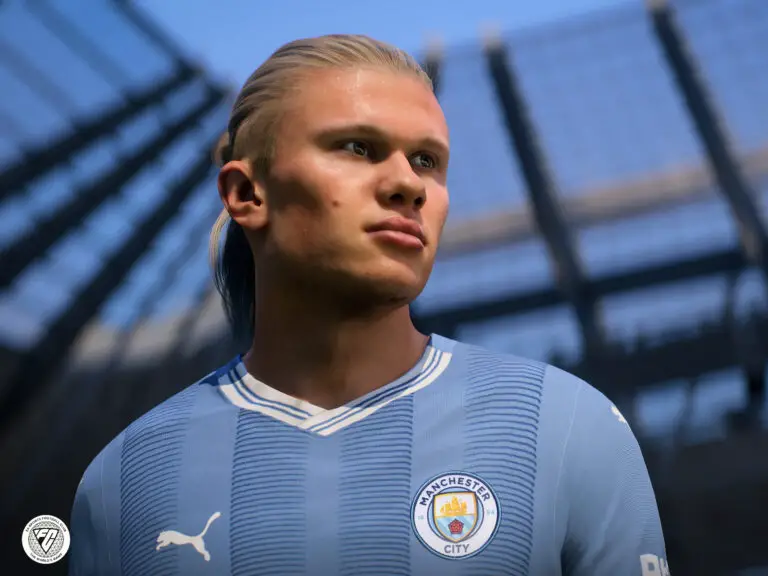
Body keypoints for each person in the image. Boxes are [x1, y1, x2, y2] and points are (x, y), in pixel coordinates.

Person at [69, 34, 669, 576]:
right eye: (358, 147)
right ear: (248, 193)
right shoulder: (124, 480)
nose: (408, 183)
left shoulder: (564, 426)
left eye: (427, 161)